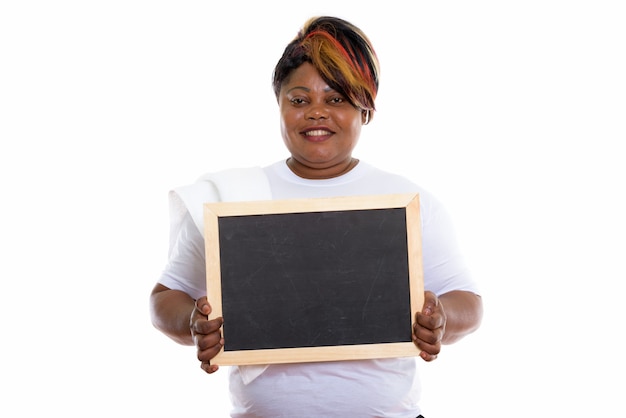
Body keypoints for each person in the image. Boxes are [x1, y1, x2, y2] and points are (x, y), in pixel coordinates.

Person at [150, 15, 483, 417]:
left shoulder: (405, 199)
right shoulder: (232, 198)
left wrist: (442, 317)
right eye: (299, 99)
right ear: (280, 105)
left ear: (365, 110)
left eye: (336, 99)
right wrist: (191, 321)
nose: (316, 113)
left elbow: (467, 300)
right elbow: (165, 297)